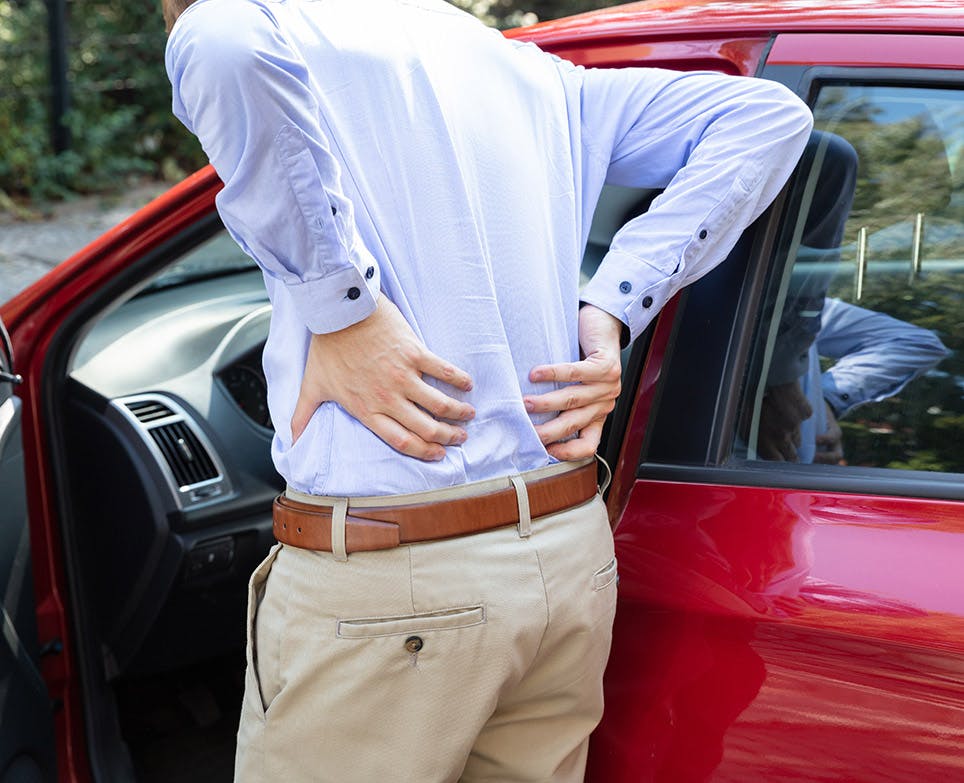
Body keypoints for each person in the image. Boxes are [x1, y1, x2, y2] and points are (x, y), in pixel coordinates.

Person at [163, 0, 813, 780]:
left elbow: (221, 38)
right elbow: (767, 117)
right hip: (565, 554)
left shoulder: (264, 27)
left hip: (397, 577)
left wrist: (341, 309)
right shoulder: (532, 74)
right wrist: (614, 304)